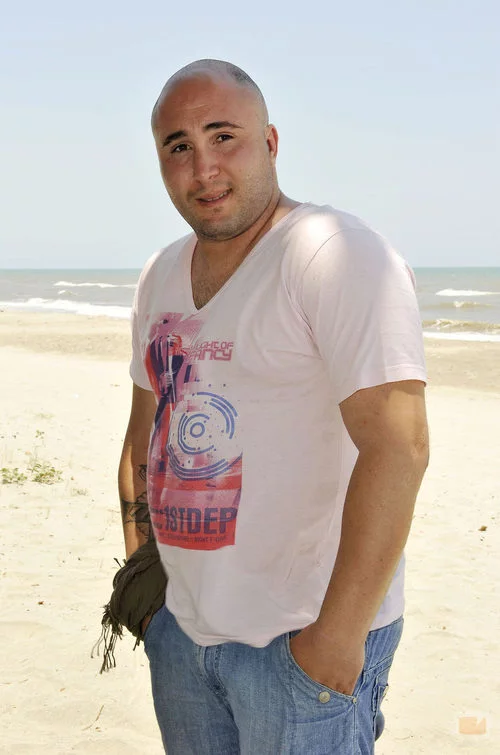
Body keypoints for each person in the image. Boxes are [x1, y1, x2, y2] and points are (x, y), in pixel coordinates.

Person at [118, 58, 429, 755]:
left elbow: (399, 446)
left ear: (270, 141)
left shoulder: (334, 254)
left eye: (222, 136)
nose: (203, 168)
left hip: (299, 646)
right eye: (178, 146)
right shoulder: (160, 274)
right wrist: (148, 593)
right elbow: (145, 440)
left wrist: (334, 642)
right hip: (183, 637)